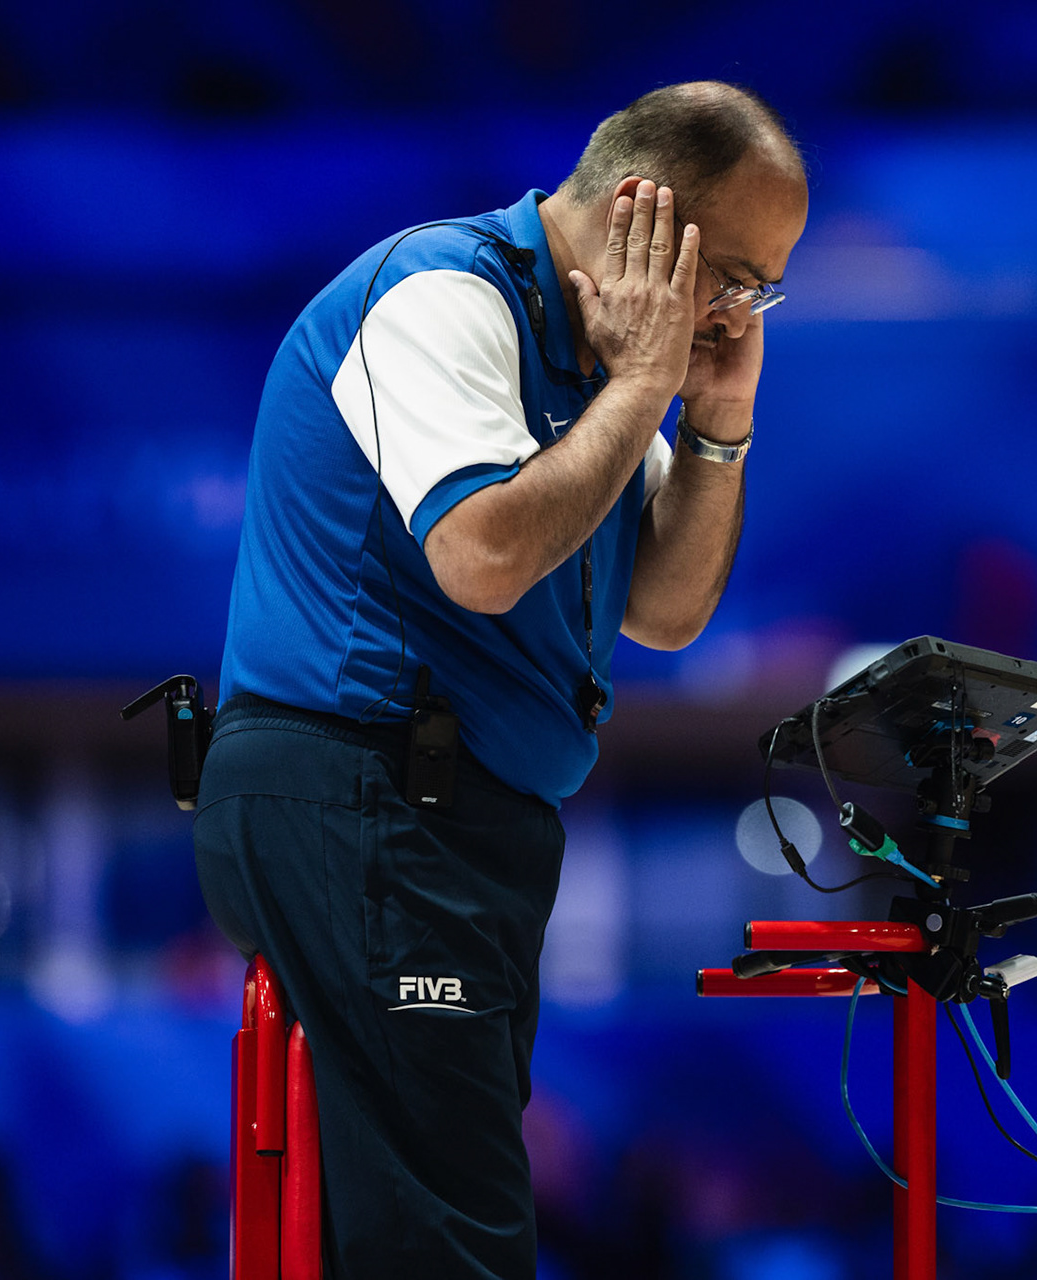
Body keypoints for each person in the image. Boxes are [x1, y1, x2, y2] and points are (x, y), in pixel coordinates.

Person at [192, 81, 808, 1278]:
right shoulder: (444, 298)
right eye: (734, 273)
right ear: (644, 217)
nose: (738, 311)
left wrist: (718, 422)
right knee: (451, 1239)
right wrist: (643, 390)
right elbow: (480, 553)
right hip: (357, 798)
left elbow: (668, 613)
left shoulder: (595, 371)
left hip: (455, 822)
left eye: (762, 289)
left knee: (428, 1215)